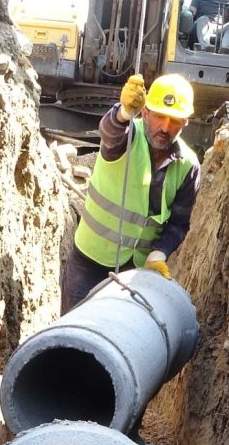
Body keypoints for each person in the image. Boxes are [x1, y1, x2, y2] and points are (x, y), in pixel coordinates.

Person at [60, 73, 201, 316]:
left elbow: (178, 224)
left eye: (175, 120)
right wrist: (123, 112)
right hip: (90, 260)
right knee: (72, 334)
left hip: (135, 271)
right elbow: (109, 131)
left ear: (185, 122)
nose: (165, 128)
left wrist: (160, 252)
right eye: (159, 116)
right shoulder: (127, 137)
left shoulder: (188, 166)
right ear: (145, 112)